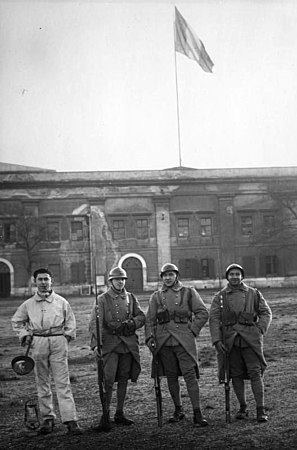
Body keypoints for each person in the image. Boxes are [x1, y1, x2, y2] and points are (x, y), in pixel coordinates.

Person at [11, 268, 82, 435]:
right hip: (38, 343)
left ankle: (70, 420)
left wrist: (66, 338)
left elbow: (71, 323)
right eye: (40, 279)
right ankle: (47, 419)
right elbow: (16, 321)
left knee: (63, 382)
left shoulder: (62, 302)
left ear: (52, 281)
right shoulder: (28, 304)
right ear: (35, 281)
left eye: (46, 279)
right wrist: (25, 335)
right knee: (42, 382)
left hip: (58, 342)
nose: (43, 283)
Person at [145, 263, 209, 427]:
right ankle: (178, 409)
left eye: (170, 275)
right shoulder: (156, 296)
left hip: (184, 342)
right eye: (164, 275)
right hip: (164, 342)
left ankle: (197, 412)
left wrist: (192, 331)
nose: (167, 278)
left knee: (190, 376)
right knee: (171, 377)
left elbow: (202, 313)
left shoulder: (188, 292)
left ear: (176, 276)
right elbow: (150, 320)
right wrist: (150, 338)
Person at [209, 263, 272, 423]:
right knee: (235, 375)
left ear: (242, 276)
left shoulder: (254, 293)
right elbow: (214, 319)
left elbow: (266, 312)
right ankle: (243, 407)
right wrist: (217, 340)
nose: (235, 277)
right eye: (231, 274)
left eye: (238, 274)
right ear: (227, 277)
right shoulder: (220, 297)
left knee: (255, 373)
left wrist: (259, 329)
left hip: (250, 341)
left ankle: (260, 409)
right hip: (230, 342)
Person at [89, 266, 145, 429]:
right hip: (110, 344)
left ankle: (119, 413)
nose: (120, 282)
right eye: (117, 279)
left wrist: (133, 323)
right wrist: (96, 345)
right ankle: (105, 415)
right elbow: (95, 323)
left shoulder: (131, 298)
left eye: (122, 279)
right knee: (107, 380)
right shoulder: (102, 299)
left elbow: (141, 316)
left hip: (127, 344)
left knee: (123, 379)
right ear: (111, 281)